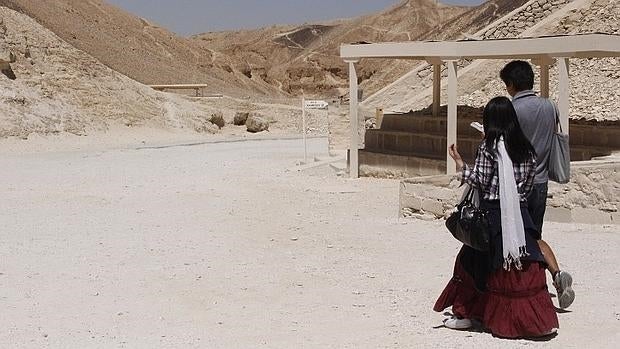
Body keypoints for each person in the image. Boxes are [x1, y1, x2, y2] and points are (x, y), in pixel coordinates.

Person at [434, 96, 559, 338]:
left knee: (470, 262)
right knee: (524, 259)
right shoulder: (526, 149)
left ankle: (468, 314)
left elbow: (479, 181)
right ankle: (530, 319)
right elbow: (528, 185)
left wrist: (460, 164)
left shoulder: (489, 148)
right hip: (520, 215)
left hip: (492, 215)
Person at [500, 60, 575, 309]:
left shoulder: (511, 110)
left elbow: (504, 146)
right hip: (541, 182)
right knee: (534, 235)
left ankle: (525, 289)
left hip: (516, 183)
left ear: (511, 84)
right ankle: (555, 276)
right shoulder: (549, 106)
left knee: (513, 238)